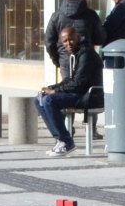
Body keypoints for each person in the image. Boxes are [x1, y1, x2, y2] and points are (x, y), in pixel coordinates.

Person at [34, 26, 103, 156]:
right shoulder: (76, 53)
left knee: (49, 101)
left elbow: (79, 83)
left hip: (89, 96)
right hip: (80, 93)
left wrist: (56, 91)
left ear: (77, 37)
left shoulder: (86, 54)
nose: (68, 43)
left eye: (71, 39)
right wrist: (53, 87)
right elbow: (70, 80)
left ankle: (67, 142)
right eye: (65, 41)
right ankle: (60, 140)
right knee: (39, 98)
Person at [45, 0, 105, 78]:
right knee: (85, 89)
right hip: (86, 60)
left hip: (65, 60)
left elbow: (49, 41)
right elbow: (100, 38)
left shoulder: (56, 16)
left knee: (68, 89)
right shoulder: (91, 15)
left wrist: (58, 59)